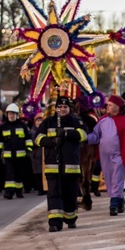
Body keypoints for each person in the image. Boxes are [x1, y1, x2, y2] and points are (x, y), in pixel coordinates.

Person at [35, 96, 87, 231]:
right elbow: (37, 138)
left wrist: (66, 133)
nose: (62, 109)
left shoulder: (76, 121)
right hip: (52, 165)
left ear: (69, 108)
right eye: (60, 107)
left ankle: (70, 218)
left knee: (70, 194)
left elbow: (84, 135)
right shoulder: (48, 122)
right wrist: (51, 142)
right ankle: (54, 223)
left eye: (65, 107)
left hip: (70, 167)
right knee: (53, 194)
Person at [86, 94, 125, 216]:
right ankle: (120, 200)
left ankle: (113, 204)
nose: (107, 108)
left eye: (110, 105)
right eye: (108, 105)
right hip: (105, 157)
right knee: (110, 179)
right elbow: (96, 136)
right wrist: (85, 138)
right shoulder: (103, 120)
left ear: (117, 107)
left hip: (119, 156)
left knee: (117, 178)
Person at [0, 103, 33, 199]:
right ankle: (9, 192)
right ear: (7, 115)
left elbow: (28, 138)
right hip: (8, 156)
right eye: (9, 114)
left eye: (13, 114)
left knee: (19, 174)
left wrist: (29, 148)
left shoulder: (23, 126)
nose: (11, 116)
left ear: (17, 115)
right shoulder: (3, 127)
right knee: (9, 174)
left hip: (21, 156)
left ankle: (19, 191)